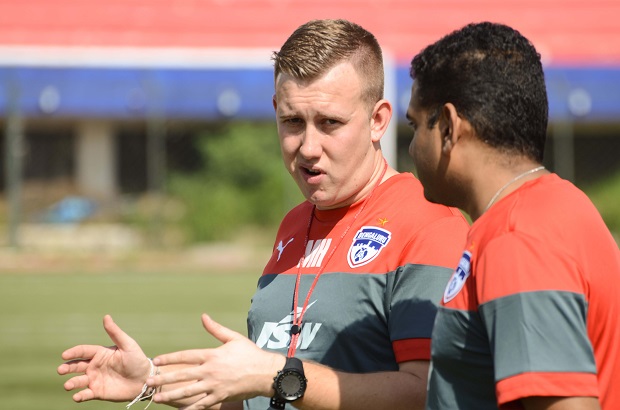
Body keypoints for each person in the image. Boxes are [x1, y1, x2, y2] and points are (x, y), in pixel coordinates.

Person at [58, 19, 469, 410]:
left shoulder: (430, 223)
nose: (307, 147)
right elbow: (265, 394)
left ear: (378, 120)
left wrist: (275, 374)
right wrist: (153, 381)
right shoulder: (293, 225)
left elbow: (431, 393)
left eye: (329, 123)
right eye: (292, 121)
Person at [406, 21, 620, 410]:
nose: (411, 146)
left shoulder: (516, 238)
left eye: (416, 125)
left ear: (450, 127)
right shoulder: (558, 204)